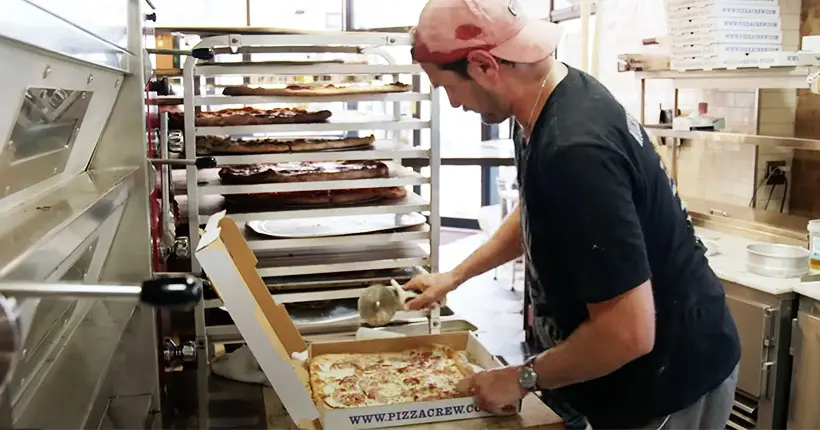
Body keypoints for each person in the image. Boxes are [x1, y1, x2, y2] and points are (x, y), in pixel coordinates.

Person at [403, 0, 741, 428]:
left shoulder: (576, 150)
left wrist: (521, 377)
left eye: (446, 87)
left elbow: (628, 332)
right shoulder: (542, 101)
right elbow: (539, 212)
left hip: (666, 381)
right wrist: (456, 276)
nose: (452, 104)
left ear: (484, 65)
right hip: (616, 373)